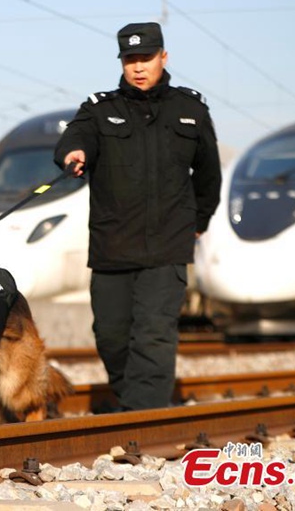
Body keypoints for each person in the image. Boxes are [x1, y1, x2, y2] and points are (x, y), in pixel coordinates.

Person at [53, 22, 222, 411]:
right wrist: (73, 153)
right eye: (130, 59)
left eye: (146, 58)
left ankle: (141, 421)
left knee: (153, 336)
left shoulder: (191, 110)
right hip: (112, 245)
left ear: (164, 57)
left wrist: (199, 220)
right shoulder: (99, 109)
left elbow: (209, 175)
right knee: (111, 336)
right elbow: (74, 137)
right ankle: (136, 405)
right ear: (122, 62)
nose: (138, 67)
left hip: (167, 245)